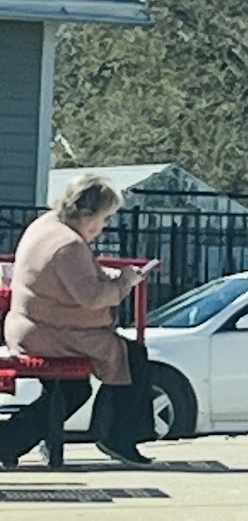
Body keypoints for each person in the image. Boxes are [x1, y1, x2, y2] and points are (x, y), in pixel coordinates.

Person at [0, 175, 154, 468]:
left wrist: (114, 277)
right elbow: (92, 297)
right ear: (87, 214)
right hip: (52, 332)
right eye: (104, 217)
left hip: (34, 325)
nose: (105, 225)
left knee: (75, 390)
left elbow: (67, 283)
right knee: (131, 357)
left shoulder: (46, 226)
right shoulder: (69, 244)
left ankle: (8, 440)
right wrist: (124, 282)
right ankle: (119, 437)